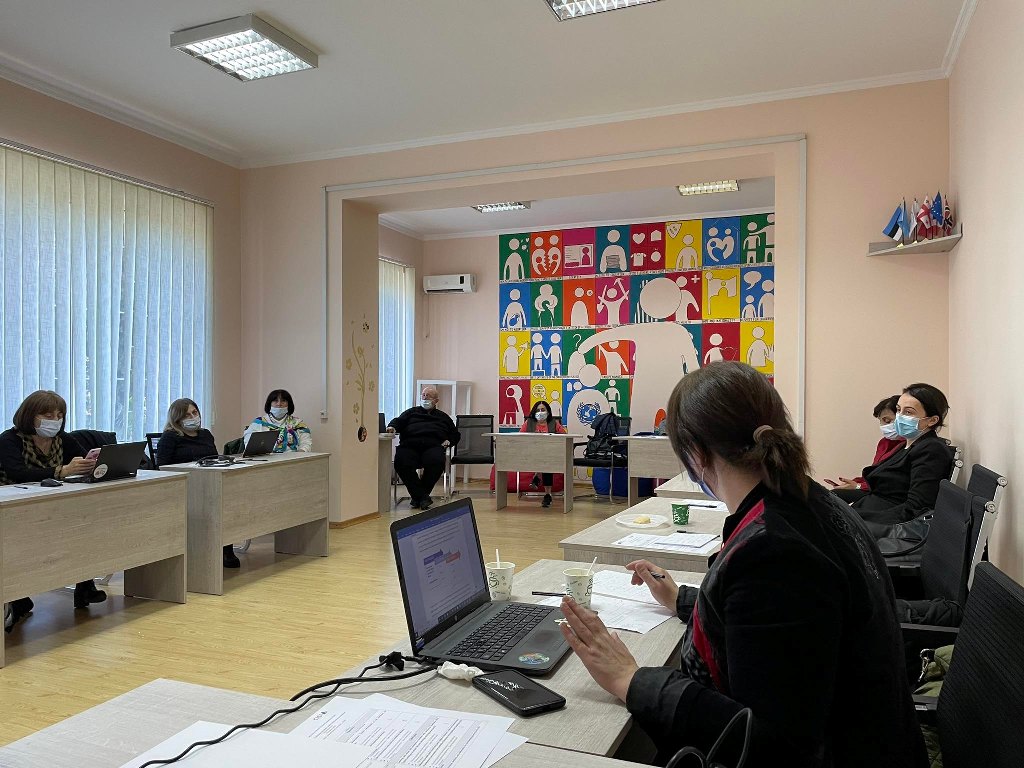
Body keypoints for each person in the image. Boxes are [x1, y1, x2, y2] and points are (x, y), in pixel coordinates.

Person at [557, 362, 926, 766]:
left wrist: (631, 680)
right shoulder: (811, 503)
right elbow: (771, 628)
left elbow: (767, 741)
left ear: (695, 453)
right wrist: (683, 600)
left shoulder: (774, 553)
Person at [0, 391, 107, 633]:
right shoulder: (9, 440)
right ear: (30, 416)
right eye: (48, 415)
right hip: (13, 509)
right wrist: (62, 471)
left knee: (83, 525)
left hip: (50, 505)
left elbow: (80, 458)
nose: (55, 420)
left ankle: (85, 584)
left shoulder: (62, 439)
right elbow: (18, 473)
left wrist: (91, 462)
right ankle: (17, 598)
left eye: (59, 415)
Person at [850, 384, 952, 526]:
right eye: (898, 410)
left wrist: (859, 519)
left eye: (908, 412)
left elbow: (916, 509)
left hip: (884, 525)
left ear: (932, 420)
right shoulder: (906, 445)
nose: (899, 417)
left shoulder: (931, 449)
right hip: (870, 512)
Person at [157, 398, 239, 568]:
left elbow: (214, 458)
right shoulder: (170, 437)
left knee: (230, 499)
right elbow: (161, 467)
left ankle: (226, 547)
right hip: (184, 487)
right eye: (187, 414)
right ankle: (218, 549)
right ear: (177, 418)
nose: (193, 417)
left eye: (195, 412)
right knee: (216, 502)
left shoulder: (205, 434)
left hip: (208, 482)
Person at [387, 386, 460, 511]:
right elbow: (398, 421)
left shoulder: (443, 417)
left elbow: (455, 434)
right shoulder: (411, 412)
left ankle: (418, 497)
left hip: (432, 446)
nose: (425, 397)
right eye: (423, 395)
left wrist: (449, 441)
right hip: (410, 446)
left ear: (436, 401)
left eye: (429, 396)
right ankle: (422, 497)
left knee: (437, 461)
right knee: (401, 461)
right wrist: (392, 427)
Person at [829, 395, 905, 502]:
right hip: (872, 489)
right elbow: (874, 474)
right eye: (881, 421)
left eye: (888, 421)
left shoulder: (909, 446)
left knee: (835, 497)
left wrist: (858, 486)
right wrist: (854, 483)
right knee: (827, 495)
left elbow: (892, 482)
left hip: (888, 496)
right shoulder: (884, 443)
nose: (884, 425)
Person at [519, 401, 567, 508]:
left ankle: (541, 484)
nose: (540, 412)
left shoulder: (553, 423)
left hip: (550, 454)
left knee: (546, 460)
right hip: (531, 453)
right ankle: (547, 493)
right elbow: (520, 437)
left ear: (548, 412)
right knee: (544, 460)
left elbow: (564, 436)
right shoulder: (529, 423)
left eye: (543, 410)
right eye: (538, 410)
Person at [244, 389, 312, 453]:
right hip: (267, 459)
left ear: (289, 404)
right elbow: (249, 444)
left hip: (293, 458)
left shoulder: (297, 423)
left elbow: (306, 443)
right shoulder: (259, 423)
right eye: (275, 401)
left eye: (283, 401)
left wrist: (299, 454)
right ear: (269, 404)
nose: (279, 404)